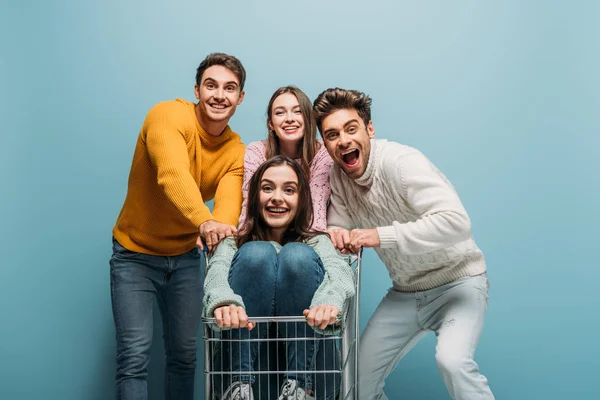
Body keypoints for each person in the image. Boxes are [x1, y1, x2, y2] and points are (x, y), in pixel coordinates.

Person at [313, 88, 495, 400]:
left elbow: (456, 221)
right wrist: (336, 234)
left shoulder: (402, 163)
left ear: (370, 129)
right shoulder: (339, 177)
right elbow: (338, 226)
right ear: (326, 144)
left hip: (459, 283)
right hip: (406, 292)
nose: (343, 140)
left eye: (351, 128)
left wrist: (379, 235)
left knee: (452, 362)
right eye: (332, 134)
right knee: (356, 381)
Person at [110, 52, 247, 400]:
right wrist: (205, 221)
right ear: (197, 90)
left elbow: (227, 215)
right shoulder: (167, 115)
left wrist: (220, 232)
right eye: (211, 85)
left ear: (240, 97)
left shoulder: (235, 150)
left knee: (185, 358)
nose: (220, 95)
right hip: (134, 256)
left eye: (230, 88)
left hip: (186, 260)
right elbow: (172, 174)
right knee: (134, 357)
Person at [203, 156, 355, 400]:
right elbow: (216, 278)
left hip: (313, 374)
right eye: (267, 188)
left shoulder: (318, 242)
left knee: (296, 255)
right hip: (247, 370)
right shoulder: (233, 243)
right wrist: (223, 302)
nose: (277, 197)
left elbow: (341, 276)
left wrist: (328, 302)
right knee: (256, 253)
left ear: (302, 199)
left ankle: (299, 390)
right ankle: (239, 390)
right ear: (255, 197)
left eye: (289, 190)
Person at [239, 86, 333, 231]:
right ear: (271, 124)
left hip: (306, 237)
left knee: (295, 254)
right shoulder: (257, 151)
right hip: (264, 234)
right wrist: (242, 238)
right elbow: (250, 204)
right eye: (280, 112)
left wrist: (315, 244)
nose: (289, 119)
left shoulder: (323, 153)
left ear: (309, 118)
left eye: (298, 111)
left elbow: (316, 206)